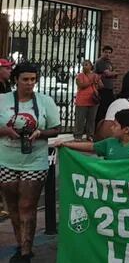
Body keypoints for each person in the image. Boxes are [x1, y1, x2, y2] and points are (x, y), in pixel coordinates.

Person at [0, 63, 61, 262]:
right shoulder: (2, 100)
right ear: (15, 79)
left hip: (35, 160)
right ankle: (20, 244)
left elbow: (56, 129)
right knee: (13, 206)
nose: (29, 83)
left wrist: (40, 133)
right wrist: (6, 131)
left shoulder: (45, 101)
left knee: (27, 204)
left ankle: (26, 251)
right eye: (25, 79)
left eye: (33, 79)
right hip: (6, 160)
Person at [57, 109, 129, 161]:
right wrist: (66, 144)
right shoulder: (110, 143)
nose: (111, 128)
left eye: (115, 125)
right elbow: (91, 146)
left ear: (126, 129)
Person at [74, 59, 102, 141]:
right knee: (80, 119)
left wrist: (97, 83)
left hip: (93, 101)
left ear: (91, 66)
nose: (84, 66)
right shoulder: (80, 75)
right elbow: (81, 85)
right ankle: (78, 135)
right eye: (83, 65)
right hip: (82, 101)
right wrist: (91, 81)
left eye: (86, 64)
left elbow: (101, 86)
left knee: (91, 119)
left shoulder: (95, 75)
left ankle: (90, 135)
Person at [95, 45, 119, 124]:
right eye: (106, 52)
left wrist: (113, 74)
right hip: (102, 88)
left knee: (109, 107)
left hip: (109, 88)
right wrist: (113, 73)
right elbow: (108, 73)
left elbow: (114, 74)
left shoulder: (109, 62)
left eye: (109, 52)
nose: (107, 54)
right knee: (102, 108)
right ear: (102, 52)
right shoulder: (100, 62)